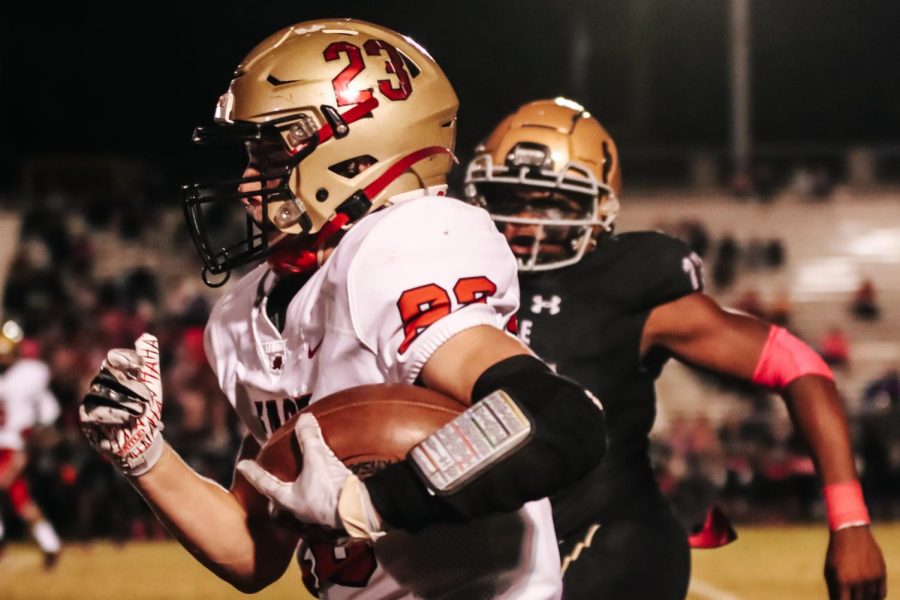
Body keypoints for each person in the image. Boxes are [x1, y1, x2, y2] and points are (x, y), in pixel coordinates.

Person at [78, 21, 608, 599]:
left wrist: (370, 503)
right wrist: (146, 456)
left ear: (354, 157)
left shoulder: (400, 246)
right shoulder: (242, 316)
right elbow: (253, 551)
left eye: (271, 156)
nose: (249, 185)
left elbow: (555, 417)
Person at [464, 98, 887, 600]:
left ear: (599, 208)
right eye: (508, 198)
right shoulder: (449, 281)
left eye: (551, 204)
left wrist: (850, 521)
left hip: (613, 539)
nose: (522, 224)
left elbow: (799, 366)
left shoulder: (627, 285)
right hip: (493, 546)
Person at [0, 320, 62, 568]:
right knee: (20, 499)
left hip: (15, 444)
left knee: (18, 497)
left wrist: (32, 442)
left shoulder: (30, 373)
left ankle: (48, 544)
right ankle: (50, 544)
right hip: (7, 443)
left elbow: (48, 411)